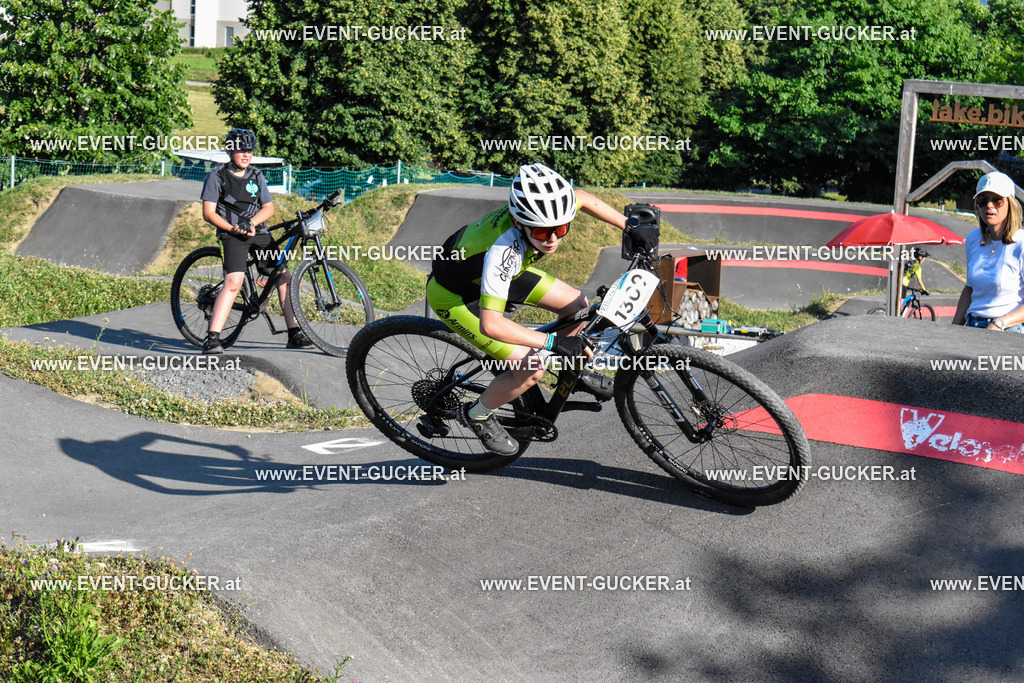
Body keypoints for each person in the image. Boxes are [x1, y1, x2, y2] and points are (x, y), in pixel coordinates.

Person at [427, 163, 656, 455]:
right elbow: (491, 325)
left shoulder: (546, 211)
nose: (552, 240)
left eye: (561, 229)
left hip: (487, 274)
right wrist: (553, 343)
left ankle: (569, 375)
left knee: (577, 306)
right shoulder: (503, 251)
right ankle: (477, 415)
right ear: (518, 221)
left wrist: (630, 226)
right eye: (542, 232)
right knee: (531, 368)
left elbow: (583, 198)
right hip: (456, 296)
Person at [199, 128, 312, 353]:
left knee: (283, 275)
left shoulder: (256, 175)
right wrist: (233, 228)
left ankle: (294, 333)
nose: (246, 154)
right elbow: (209, 213)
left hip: (258, 232)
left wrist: (251, 223)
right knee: (234, 281)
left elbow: (268, 208)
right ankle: (212, 338)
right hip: (231, 234)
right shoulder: (217, 176)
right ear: (230, 151)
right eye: (241, 150)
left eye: (249, 150)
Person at [951, 171, 1024, 332]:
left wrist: (1000, 323)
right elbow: (970, 289)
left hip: (1008, 329)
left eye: (997, 200)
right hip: (973, 326)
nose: (989, 205)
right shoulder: (973, 238)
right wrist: (953, 330)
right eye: (983, 200)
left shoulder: (1021, 242)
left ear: (1010, 204)